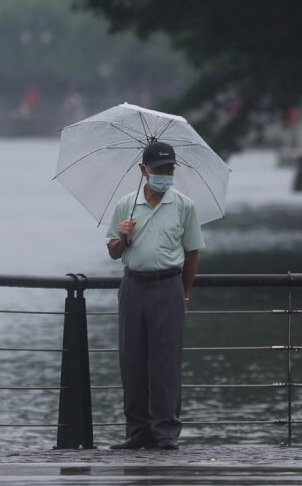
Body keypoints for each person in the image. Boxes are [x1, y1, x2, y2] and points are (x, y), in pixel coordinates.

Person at [105, 140, 205, 451]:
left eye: (170, 169)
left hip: (168, 286)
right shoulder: (125, 205)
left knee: (166, 362)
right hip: (133, 285)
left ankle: (165, 432)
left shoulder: (184, 206)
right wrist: (122, 237)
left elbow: (191, 254)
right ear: (143, 170)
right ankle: (138, 432)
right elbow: (112, 251)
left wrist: (183, 296)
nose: (166, 174)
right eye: (160, 169)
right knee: (131, 360)